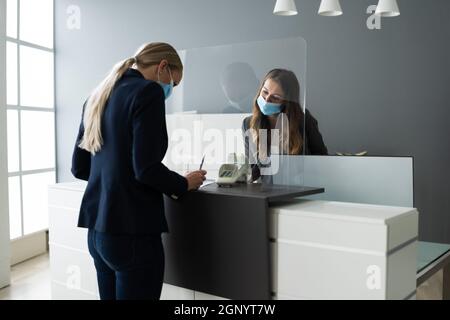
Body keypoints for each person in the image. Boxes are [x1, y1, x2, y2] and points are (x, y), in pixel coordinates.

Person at [71, 42, 207, 300]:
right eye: (173, 83)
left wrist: (118, 174)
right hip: (133, 233)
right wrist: (183, 183)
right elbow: (146, 169)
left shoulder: (98, 95)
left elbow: (79, 167)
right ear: (162, 67)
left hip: (97, 234)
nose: (170, 90)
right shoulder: (148, 92)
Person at [242, 68, 328, 182]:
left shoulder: (303, 120)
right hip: (268, 193)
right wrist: (239, 177)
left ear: (287, 101)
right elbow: (253, 169)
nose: (267, 100)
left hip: (303, 189)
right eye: (265, 92)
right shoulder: (248, 123)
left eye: (276, 97)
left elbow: (321, 158)